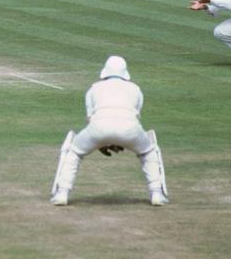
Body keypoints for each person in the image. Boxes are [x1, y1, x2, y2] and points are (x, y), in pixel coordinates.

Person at [50, 55, 169, 207]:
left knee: (74, 150)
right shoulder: (135, 89)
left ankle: (62, 193)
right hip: (130, 129)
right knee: (148, 151)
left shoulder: (94, 88)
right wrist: (119, 140)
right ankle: (157, 193)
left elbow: (91, 119)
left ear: (105, 71)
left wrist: (102, 142)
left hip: (98, 128)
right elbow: (134, 118)